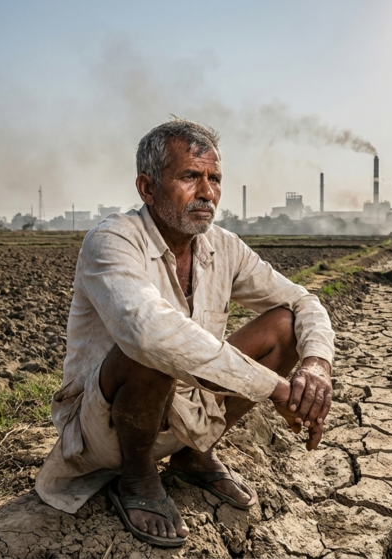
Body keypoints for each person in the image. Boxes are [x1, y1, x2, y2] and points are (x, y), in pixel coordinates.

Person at [35, 118, 336, 548]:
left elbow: (304, 301)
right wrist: (275, 389)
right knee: (153, 346)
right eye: (190, 177)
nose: (208, 193)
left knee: (285, 325)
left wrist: (316, 365)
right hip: (104, 429)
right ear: (148, 187)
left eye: (214, 179)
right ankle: (137, 479)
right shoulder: (113, 240)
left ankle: (193, 456)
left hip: (186, 412)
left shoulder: (224, 246)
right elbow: (150, 333)